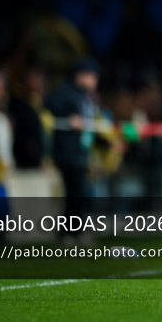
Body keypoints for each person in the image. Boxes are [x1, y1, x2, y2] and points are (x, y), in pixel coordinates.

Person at [44, 57, 101, 238]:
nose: (95, 80)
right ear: (80, 76)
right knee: (75, 193)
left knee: (78, 193)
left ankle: (71, 232)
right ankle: (71, 233)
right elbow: (50, 105)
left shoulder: (84, 97)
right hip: (68, 153)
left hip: (79, 152)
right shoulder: (66, 92)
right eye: (92, 76)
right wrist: (69, 118)